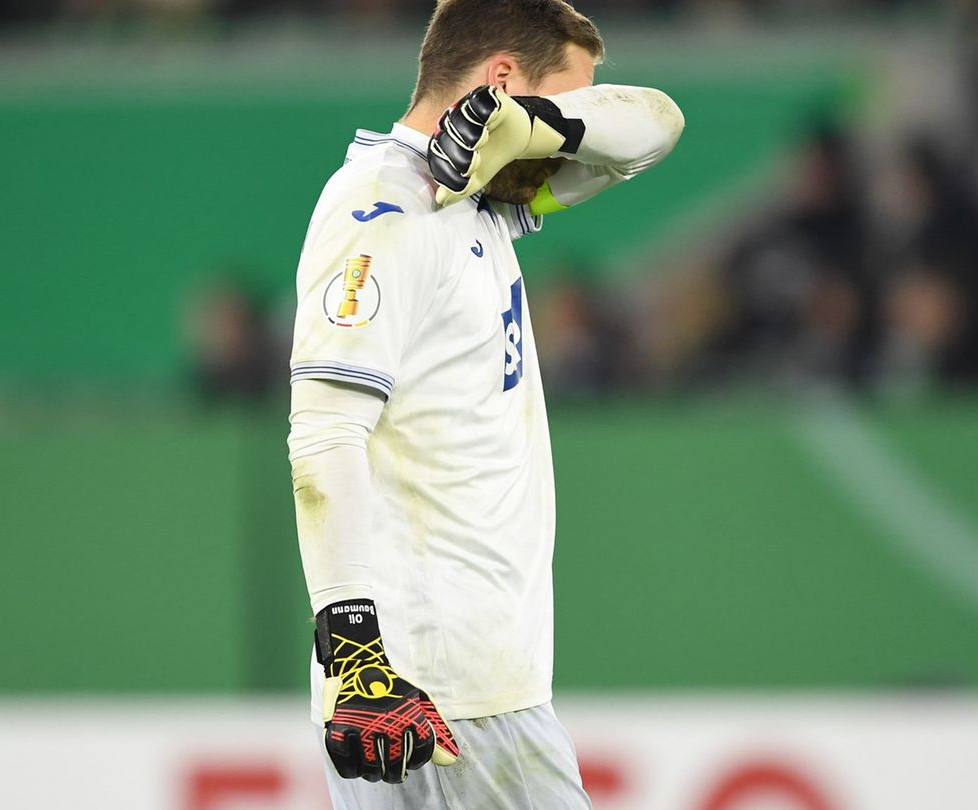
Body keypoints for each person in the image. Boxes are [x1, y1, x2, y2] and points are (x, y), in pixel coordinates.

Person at [284, 1, 684, 807]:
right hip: (436, 693)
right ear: (499, 76)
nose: (573, 126)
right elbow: (325, 432)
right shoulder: (387, 209)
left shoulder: (483, 199)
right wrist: (357, 648)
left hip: (471, 691)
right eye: (564, 100)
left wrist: (534, 123)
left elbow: (654, 126)